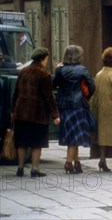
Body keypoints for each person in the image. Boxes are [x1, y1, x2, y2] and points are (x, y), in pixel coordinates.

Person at [11, 47, 60, 177]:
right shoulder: (44, 74)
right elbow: (49, 96)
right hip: (37, 114)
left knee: (21, 142)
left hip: (21, 113)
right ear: (43, 58)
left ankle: (20, 168)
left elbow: (16, 93)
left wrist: (13, 110)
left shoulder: (23, 72)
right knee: (36, 143)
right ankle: (35, 168)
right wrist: (55, 114)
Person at [53, 45, 96, 174]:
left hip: (64, 105)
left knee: (71, 134)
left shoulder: (60, 70)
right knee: (75, 135)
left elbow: (53, 85)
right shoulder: (82, 69)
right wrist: (85, 97)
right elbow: (92, 86)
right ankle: (69, 163)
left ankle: (77, 162)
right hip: (78, 105)